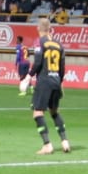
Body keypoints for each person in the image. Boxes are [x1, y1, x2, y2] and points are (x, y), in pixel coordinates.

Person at [30, 18, 70, 155]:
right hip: (56, 81)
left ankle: (47, 145)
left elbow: (37, 62)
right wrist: (60, 82)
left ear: (38, 28)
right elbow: (62, 67)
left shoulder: (39, 42)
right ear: (50, 29)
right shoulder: (59, 44)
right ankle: (65, 141)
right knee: (54, 112)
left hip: (44, 81)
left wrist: (29, 76)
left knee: (37, 112)